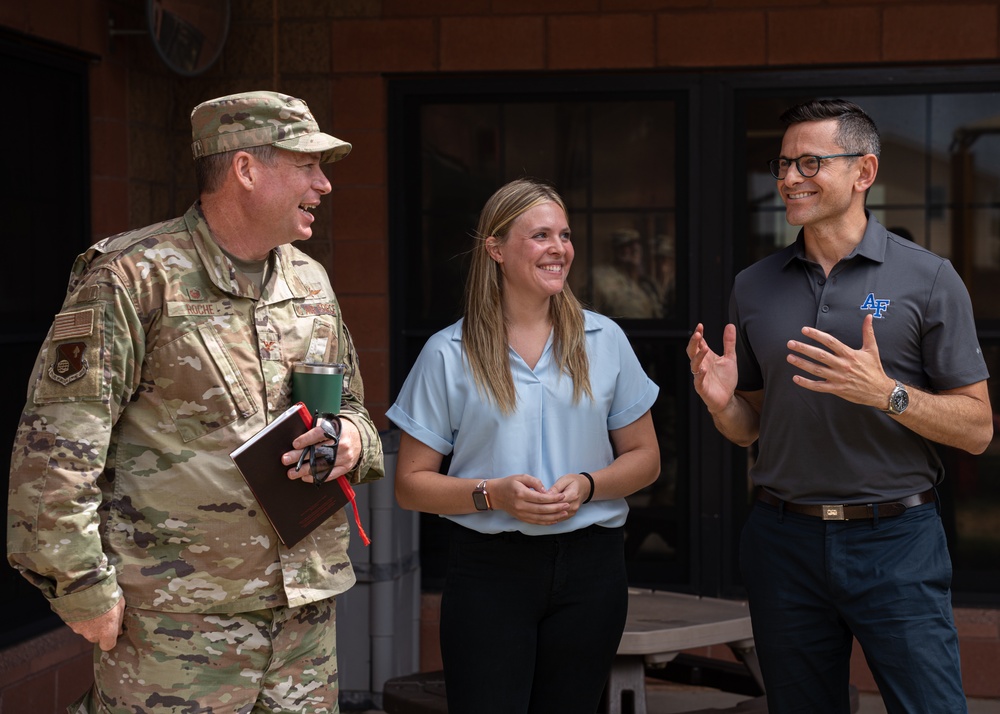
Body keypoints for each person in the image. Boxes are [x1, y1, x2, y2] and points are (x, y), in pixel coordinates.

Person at [6, 91, 385, 713]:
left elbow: (357, 412)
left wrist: (350, 440)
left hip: (303, 626)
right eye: (307, 164)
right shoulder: (132, 277)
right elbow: (55, 448)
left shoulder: (310, 280)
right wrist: (81, 588)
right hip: (175, 628)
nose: (324, 184)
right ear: (246, 168)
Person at [687, 98, 993, 713]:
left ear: (863, 172)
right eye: (783, 164)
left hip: (896, 540)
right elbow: (750, 428)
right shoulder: (753, 284)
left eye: (809, 162)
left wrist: (887, 394)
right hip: (783, 539)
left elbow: (979, 429)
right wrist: (722, 406)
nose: (788, 178)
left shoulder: (929, 279)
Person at [387, 177, 661, 714]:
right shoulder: (447, 353)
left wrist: (587, 486)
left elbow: (646, 458)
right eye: (540, 236)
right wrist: (494, 495)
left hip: (592, 569)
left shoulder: (605, 341)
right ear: (495, 248)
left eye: (564, 234)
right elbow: (410, 485)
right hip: (490, 572)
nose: (559, 249)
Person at [591, 226, 663, 318]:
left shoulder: (646, 283)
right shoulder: (601, 278)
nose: (635, 249)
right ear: (616, 250)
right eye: (627, 245)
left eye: (637, 244)